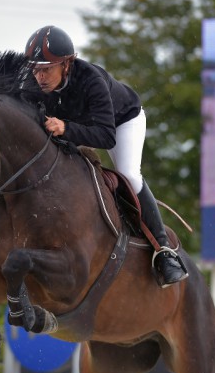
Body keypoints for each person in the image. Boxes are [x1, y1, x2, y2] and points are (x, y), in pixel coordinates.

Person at [24, 25, 188, 288]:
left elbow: (105, 137)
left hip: (122, 122)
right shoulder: (34, 83)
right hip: (81, 127)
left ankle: (164, 251)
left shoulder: (91, 80)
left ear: (66, 64)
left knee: (129, 174)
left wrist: (65, 128)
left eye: (46, 69)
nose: (40, 76)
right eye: (36, 69)